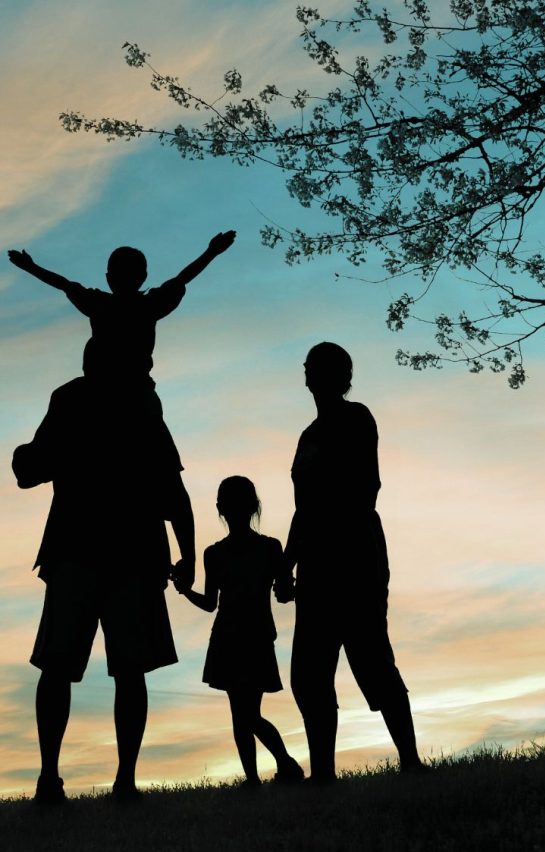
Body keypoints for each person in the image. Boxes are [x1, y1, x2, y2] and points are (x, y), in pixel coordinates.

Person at [16, 384, 197, 803]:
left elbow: (30, 470)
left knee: (62, 665)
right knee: (123, 669)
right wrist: (187, 554)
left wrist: (25, 456)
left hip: (81, 552)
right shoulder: (138, 401)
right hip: (127, 553)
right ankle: (120, 781)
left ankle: (55, 778)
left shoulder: (74, 399)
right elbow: (173, 489)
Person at [276, 341, 427, 783]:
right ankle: (323, 773)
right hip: (316, 563)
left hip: (355, 555)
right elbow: (302, 509)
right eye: (307, 366)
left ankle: (411, 761)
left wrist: (324, 537)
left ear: (339, 376)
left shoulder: (357, 418)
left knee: (372, 659)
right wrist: (287, 564)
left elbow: (365, 488)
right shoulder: (307, 437)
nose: (308, 374)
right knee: (309, 674)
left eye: (315, 367)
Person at [7, 232, 235, 487]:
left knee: (63, 398)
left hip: (119, 388)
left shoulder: (104, 303)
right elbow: (182, 278)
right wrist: (211, 252)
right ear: (142, 277)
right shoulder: (144, 304)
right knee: (64, 397)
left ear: (110, 278)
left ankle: (38, 461)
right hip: (125, 389)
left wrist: (31, 267)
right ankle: (38, 461)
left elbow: (63, 283)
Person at [174, 476, 303, 788]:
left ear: (220, 509)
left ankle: (274, 769)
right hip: (250, 636)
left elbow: (209, 603)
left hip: (233, 638)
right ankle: (268, 772)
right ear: (254, 506)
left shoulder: (217, 553)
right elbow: (284, 591)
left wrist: (184, 591)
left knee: (243, 714)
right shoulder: (268, 548)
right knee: (247, 713)